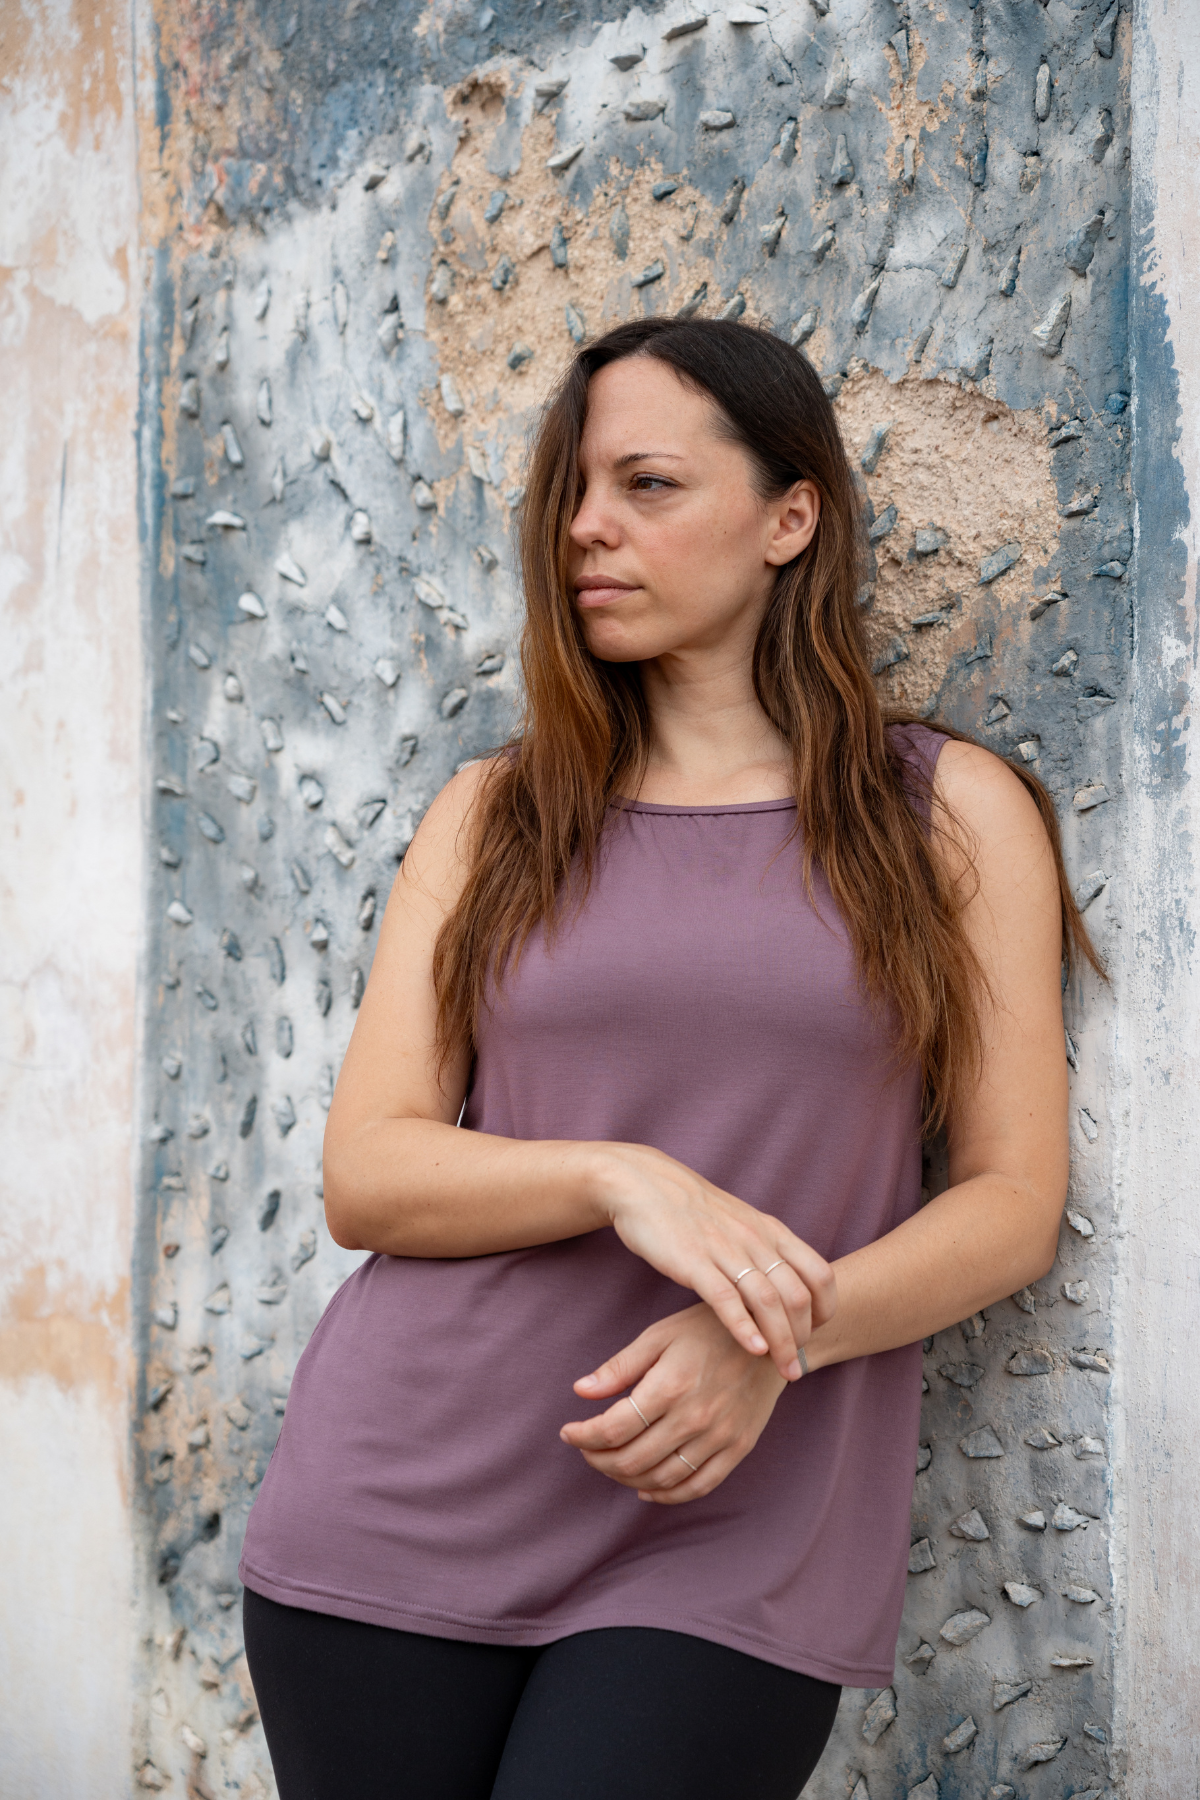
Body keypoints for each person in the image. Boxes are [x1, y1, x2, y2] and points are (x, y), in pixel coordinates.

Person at [239, 317, 1100, 1800]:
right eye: (575, 492)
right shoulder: (493, 815)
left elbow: (1013, 1198)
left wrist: (782, 1336)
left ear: (790, 516)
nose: (588, 527)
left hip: (737, 1517)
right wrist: (621, 1177)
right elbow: (369, 1174)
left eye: (648, 485)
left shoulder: (946, 814)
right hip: (402, 1497)